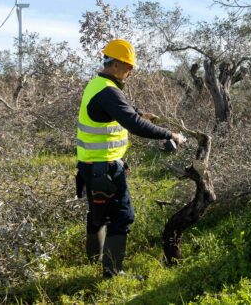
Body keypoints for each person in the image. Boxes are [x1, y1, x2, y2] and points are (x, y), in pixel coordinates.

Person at [75, 39, 184, 278]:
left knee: (98, 214)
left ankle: (93, 259)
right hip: (105, 167)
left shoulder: (97, 84)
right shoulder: (108, 91)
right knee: (122, 216)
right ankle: (113, 273)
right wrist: (170, 134)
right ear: (114, 64)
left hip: (90, 165)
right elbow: (132, 124)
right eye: (127, 66)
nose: (130, 71)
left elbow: (119, 109)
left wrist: (139, 112)